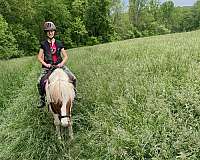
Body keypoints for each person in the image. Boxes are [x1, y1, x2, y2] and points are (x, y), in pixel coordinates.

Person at [37, 21, 77, 108]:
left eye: (52, 31)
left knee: (73, 77)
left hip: (59, 65)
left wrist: (61, 64)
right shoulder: (43, 44)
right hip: (48, 67)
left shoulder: (59, 43)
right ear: (46, 33)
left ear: (54, 32)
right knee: (39, 81)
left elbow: (65, 56)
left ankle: (75, 94)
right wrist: (45, 64)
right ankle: (42, 99)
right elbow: (39, 57)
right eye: (48, 31)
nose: (50, 33)